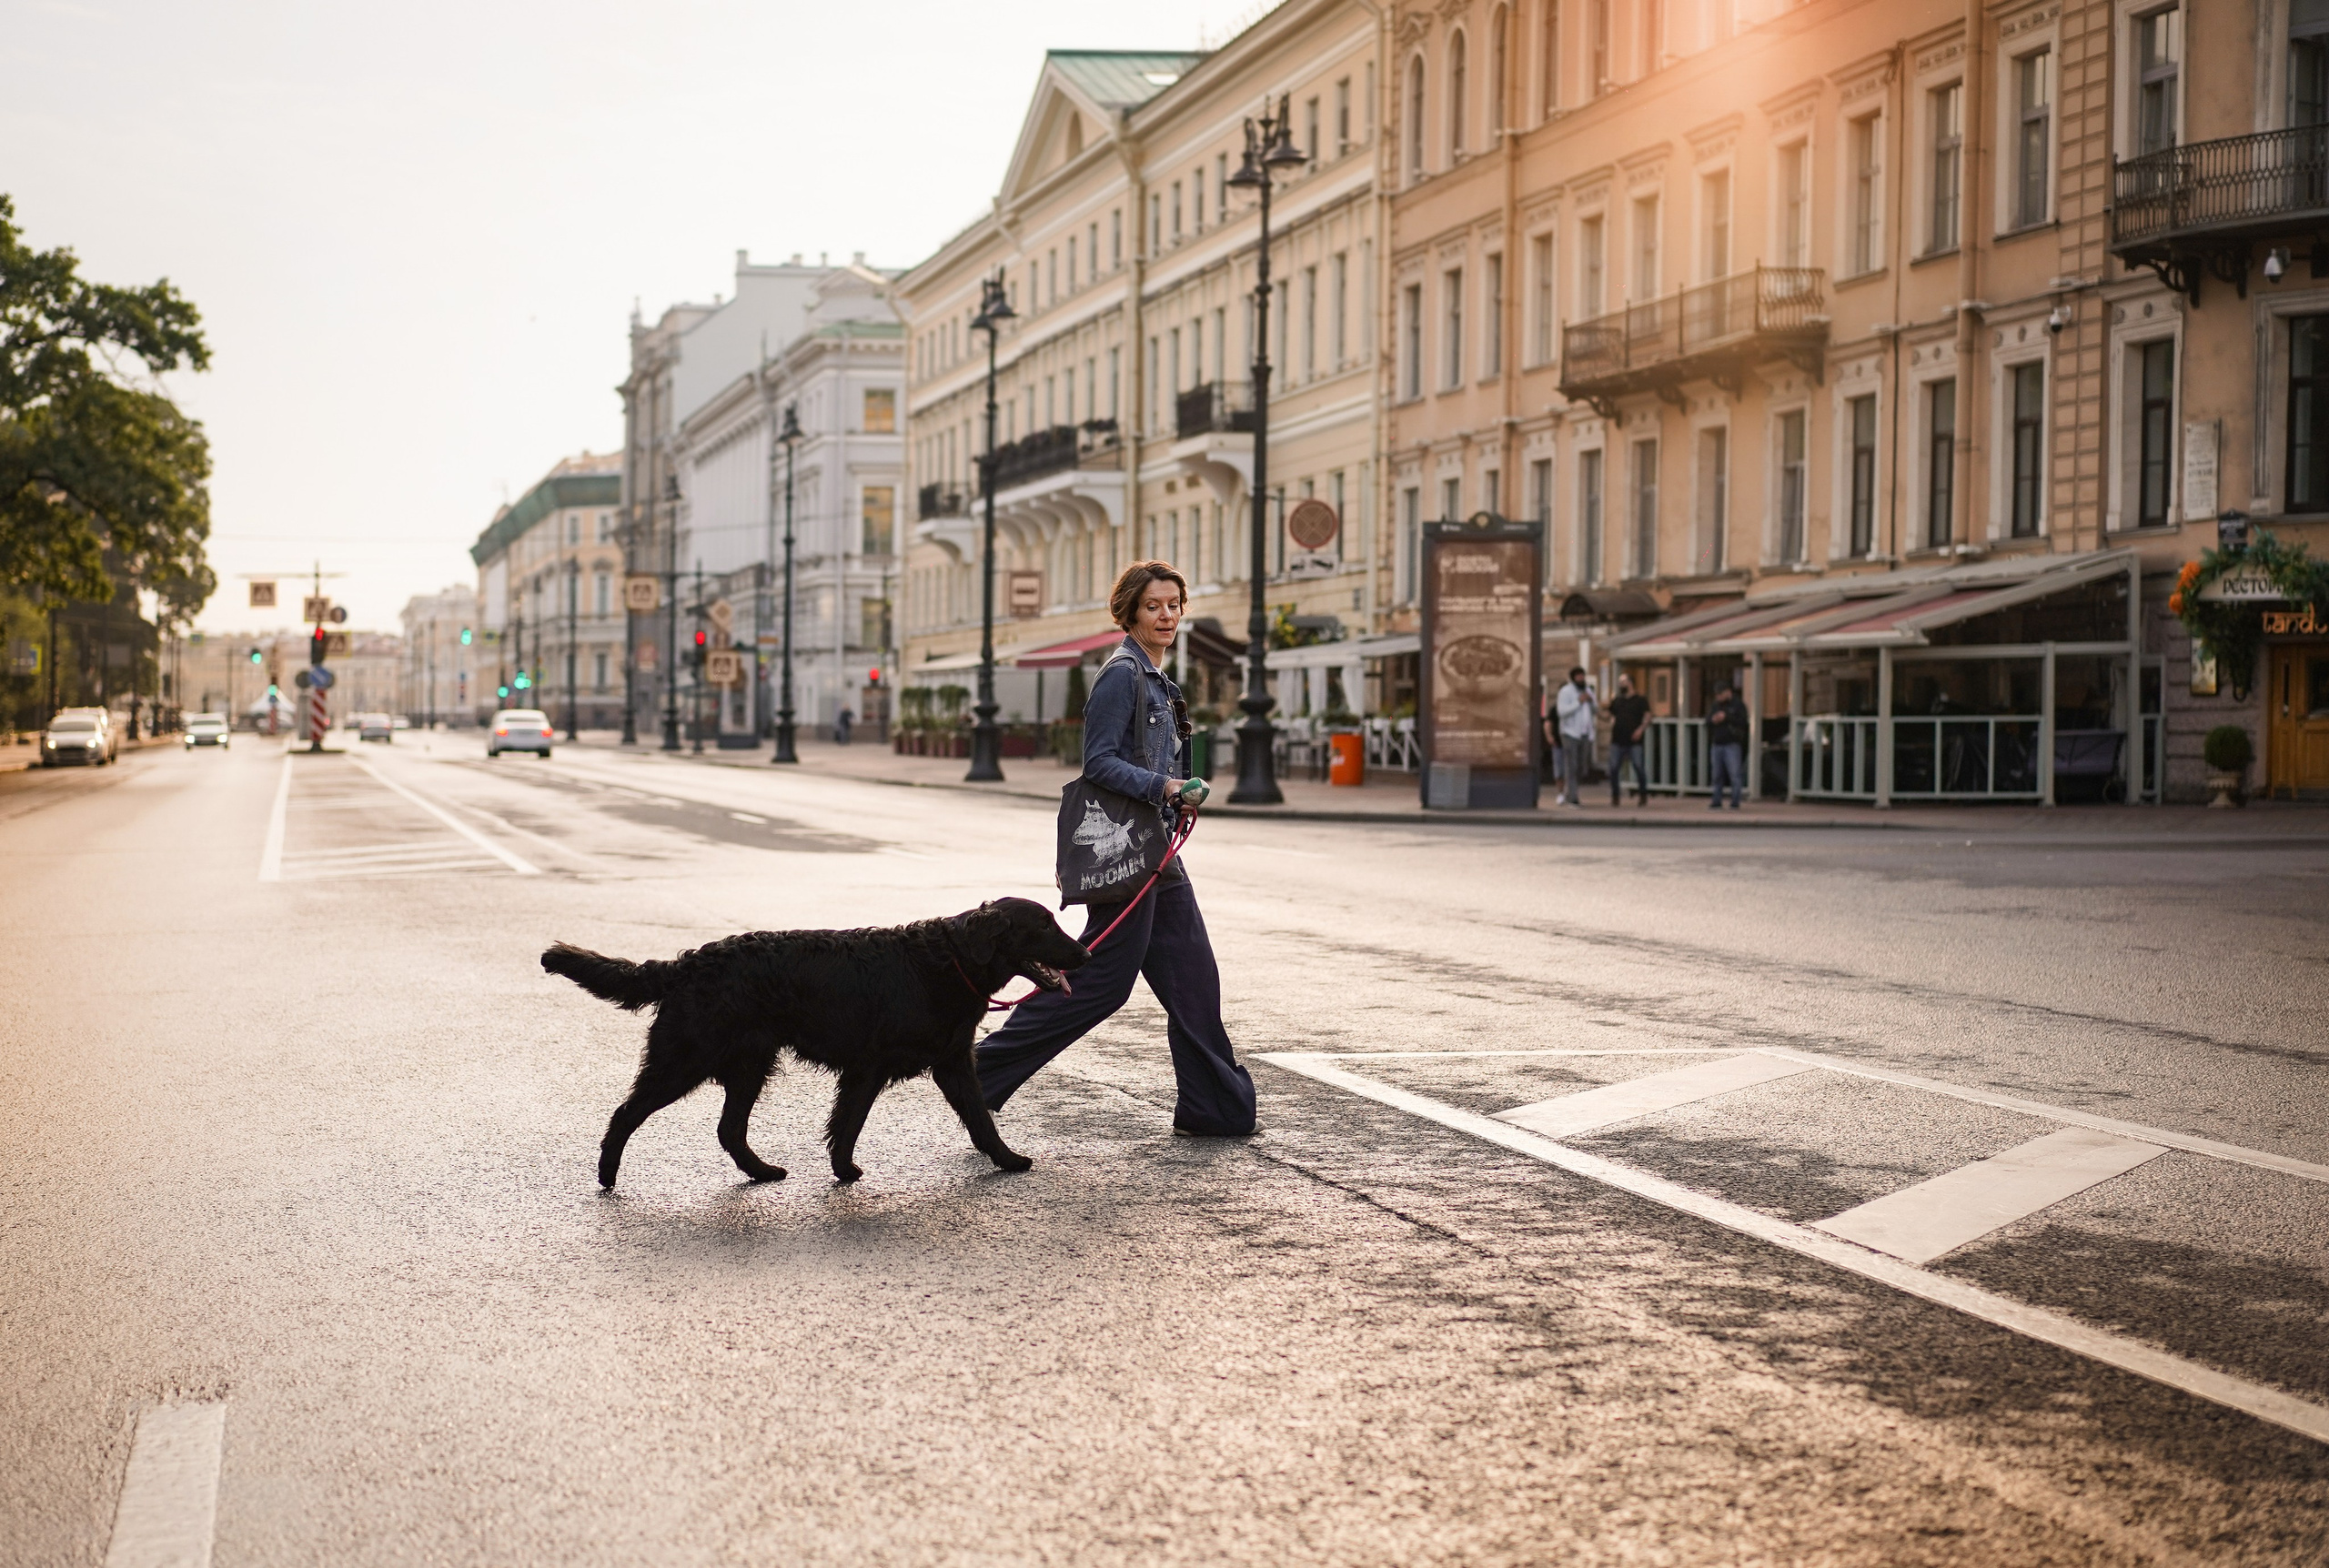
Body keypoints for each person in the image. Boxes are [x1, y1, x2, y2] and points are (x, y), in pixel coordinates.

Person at [974, 559, 1259, 1139]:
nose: (1167, 616)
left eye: (1174, 605)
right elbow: (1099, 762)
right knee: (1101, 983)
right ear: (1129, 611)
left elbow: (1152, 758)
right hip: (1126, 853)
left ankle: (1215, 1108)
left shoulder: (1158, 680)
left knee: (1193, 980)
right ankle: (977, 1073)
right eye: (1153, 606)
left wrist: (1175, 794)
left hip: (1156, 849)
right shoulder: (1121, 675)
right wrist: (1166, 787)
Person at [1554, 667, 1597, 808]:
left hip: (1585, 733)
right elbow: (1562, 712)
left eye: (1583, 676)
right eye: (1578, 677)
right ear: (1573, 678)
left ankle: (1568, 792)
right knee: (1571, 765)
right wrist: (1579, 701)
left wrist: (1590, 701)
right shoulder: (1565, 692)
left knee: (1582, 767)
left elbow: (1595, 710)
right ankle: (1573, 798)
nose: (1581, 679)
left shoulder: (1588, 690)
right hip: (1570, 733)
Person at [1607, 675, 1649, 807]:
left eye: (1623, 682)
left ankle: (1643, 794)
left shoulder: (1640, 700)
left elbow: (1648, 716)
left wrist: (1641, 729)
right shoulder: (1617, 700)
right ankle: (1615, 796)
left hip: (1634, 740)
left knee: (1639, 767)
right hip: (1617, 739)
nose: (1621, 685)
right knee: (1614, 769)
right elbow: (1609, 714)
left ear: (1630, 683)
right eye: (1620, 682)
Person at [1706, 679, 1749, 809]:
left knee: (1734, 774)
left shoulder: (1738, 705)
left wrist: (1727, 717)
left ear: (1727, 692)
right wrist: (1713, 719)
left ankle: (1735, 801)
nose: (1718, 697)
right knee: (1717, 775)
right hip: (1717, 743)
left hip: (1732, 744)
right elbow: (1707, 720)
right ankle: (1716, 800)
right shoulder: (1715, 705)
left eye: (1720, 694)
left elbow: (1743, 722)